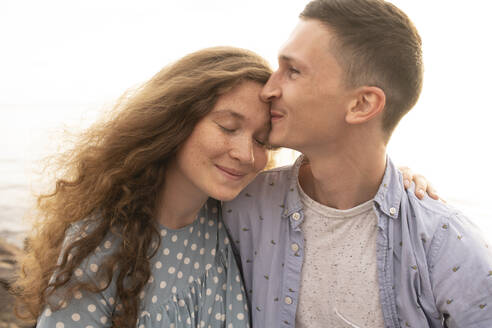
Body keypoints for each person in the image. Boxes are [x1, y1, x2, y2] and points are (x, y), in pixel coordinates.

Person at [223, 0, 492, 327]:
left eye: (292, 71)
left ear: (362, 104)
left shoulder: (445, 243)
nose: (268, 89)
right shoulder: (240, 205)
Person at [13, 46, 273, 328]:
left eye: (262, 141)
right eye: (228, 126)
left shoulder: (233, 223)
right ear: (176, 120)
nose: (246, 155)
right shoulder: (102, 241)